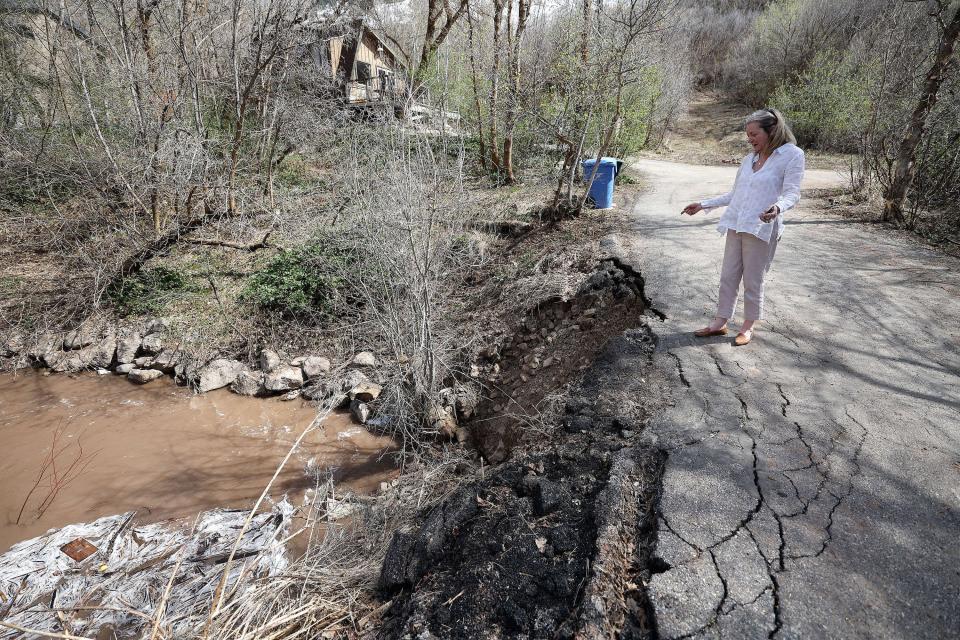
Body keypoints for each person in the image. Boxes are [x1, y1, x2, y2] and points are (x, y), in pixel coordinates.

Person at [681, 108, 805, 346]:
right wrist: (703, 204)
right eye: (747, 135)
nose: (750, 139)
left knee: (753, 279)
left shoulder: (792, 155)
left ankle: (748, 326)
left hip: (761, 227)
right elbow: (735, 194)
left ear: (772, 131)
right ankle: (720, 322)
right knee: (728, 275)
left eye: (754, 134)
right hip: (737, 223)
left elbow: (792, 193)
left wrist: (778, 208)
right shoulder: (750, 159)